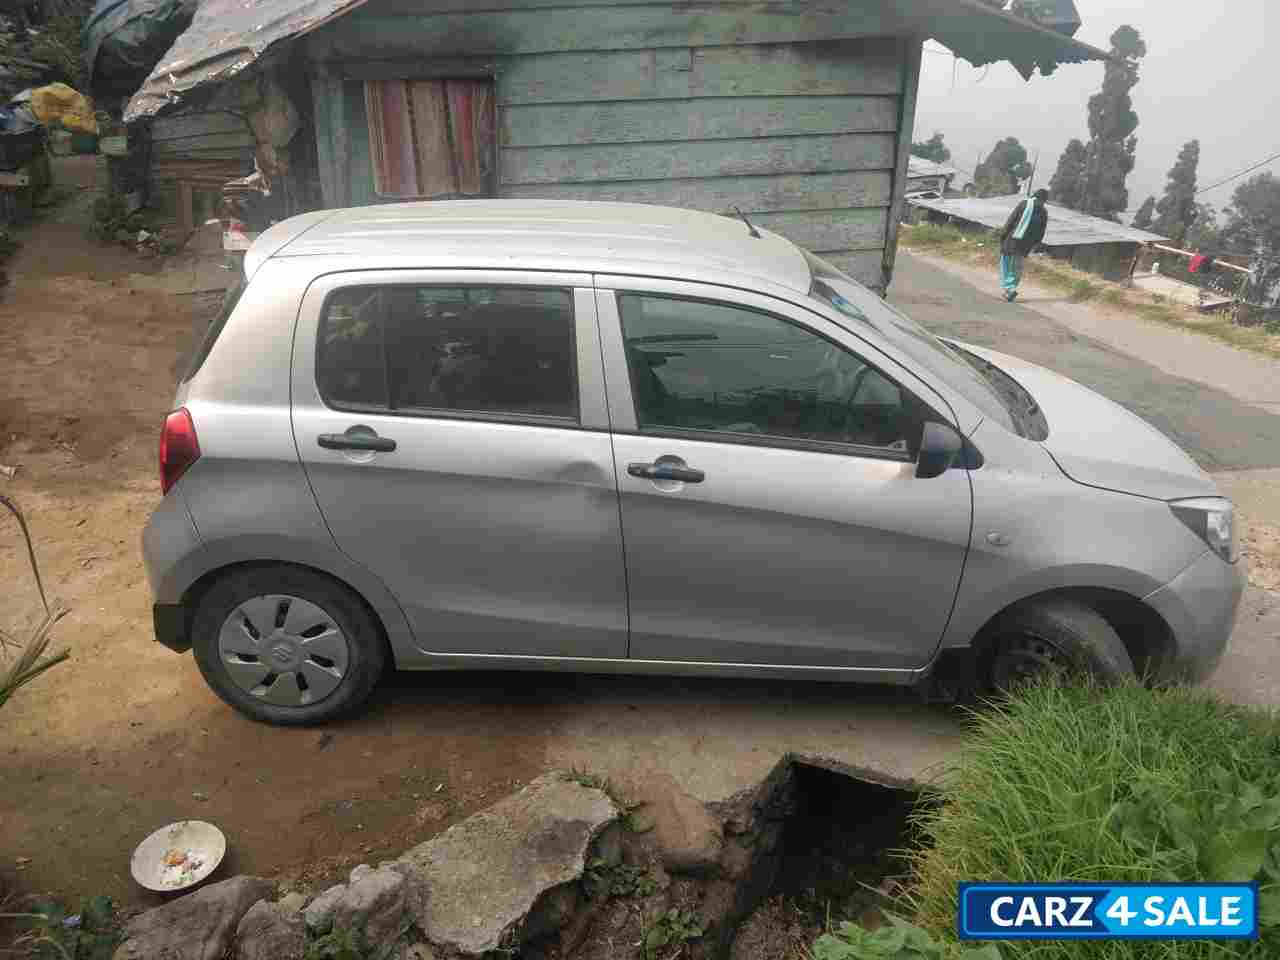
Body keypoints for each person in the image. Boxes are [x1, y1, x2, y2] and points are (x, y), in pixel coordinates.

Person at [998, 188, 1050, 302]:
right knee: (1017, 267)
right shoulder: (1043, 211)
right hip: (1025, 245)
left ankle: (1009, 290)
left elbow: (1011, 220)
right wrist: (1035, 245)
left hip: (1011, 240)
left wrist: (1003, 235)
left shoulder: (1024, 204)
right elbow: (1041, 232)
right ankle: (1010, 289)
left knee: (1005, 265)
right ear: (1044, 199)